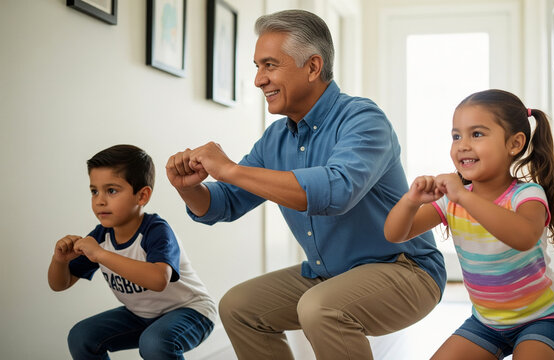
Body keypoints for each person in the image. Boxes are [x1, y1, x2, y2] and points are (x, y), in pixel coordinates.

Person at [165, 9, 446, 360]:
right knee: (239, 307)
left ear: (313, 67)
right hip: (328, 275)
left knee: (320, 307)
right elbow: (225, 204)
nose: (258, 80)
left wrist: (230, 170)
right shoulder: (275, 139)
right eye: (256, 66)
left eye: (270, 65)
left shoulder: (363, 119)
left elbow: (336, 190)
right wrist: (189, 187)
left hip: (406, 270)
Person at [384, 89, 554, 360]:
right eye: (456, 136)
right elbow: (395, 234)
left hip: (542, 319)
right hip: (487, 323)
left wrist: (463, 195)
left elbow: (524, 237)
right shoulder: (450, 202)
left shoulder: (527, 195)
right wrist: (411, 200)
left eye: (477, 134)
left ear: (515, 144)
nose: (462, 145)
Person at [47, 144, 217, 360]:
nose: (100, 200)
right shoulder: (101, 236)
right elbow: (59, 284)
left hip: (192, 311)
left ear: (142, 196)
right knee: (81, 336)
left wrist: (100, 254)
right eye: (94, 191)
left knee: (154, 343)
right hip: (142, 317)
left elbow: (158, 279)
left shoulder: (156, 230)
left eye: (111, 190)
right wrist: (59, 261)